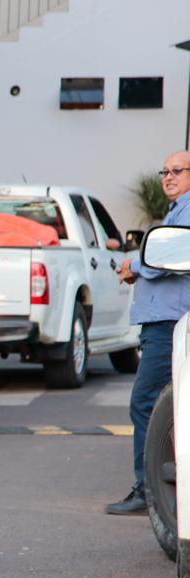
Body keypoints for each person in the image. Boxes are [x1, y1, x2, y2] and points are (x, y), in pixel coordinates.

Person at [106, 150, 190, 514]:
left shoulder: (187, 210)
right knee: (167, 407)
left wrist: (134, 266)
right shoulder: (177, 210)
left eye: (177, 171)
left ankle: (150, 490)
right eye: (164, 171)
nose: (168, 177)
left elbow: (170, 254)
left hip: (170, 323)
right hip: (163, 321)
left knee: (146, 403)